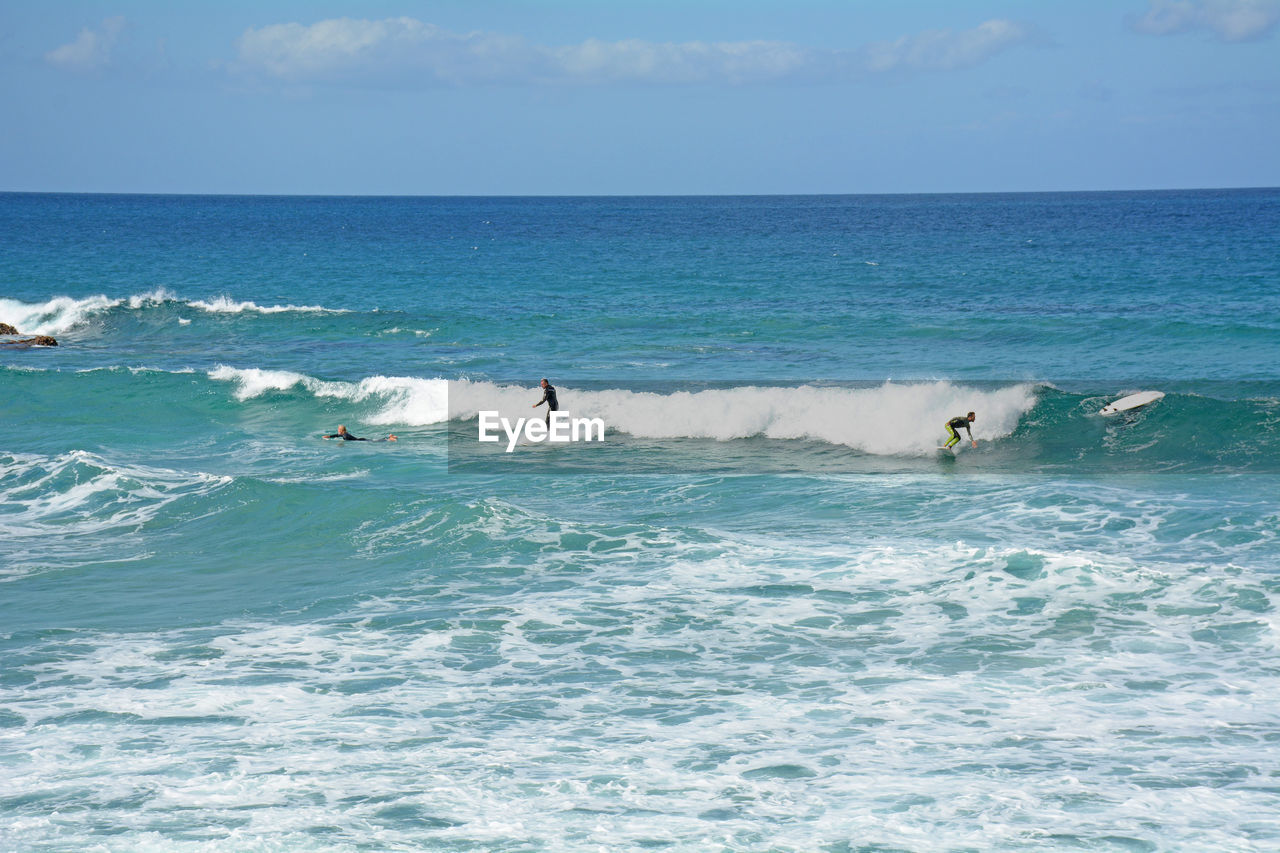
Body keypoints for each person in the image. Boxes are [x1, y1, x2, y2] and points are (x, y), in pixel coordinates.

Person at [323, 425, 397, 442]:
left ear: (341, 430)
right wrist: (328, 436)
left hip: (361, 440)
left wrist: (340, 444)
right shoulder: (344, 433)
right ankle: (389, 437)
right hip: (360, 439)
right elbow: (337, 435)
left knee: (375, 441)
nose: (338, 431)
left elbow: (344, 440)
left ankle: (389, 438)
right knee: (375, 440)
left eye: (338, 429)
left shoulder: (345, 435)